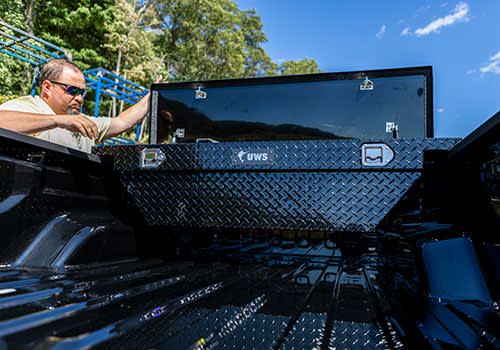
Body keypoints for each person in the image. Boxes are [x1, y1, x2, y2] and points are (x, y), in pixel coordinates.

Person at [0, 58, 155, 153]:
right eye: (73, 90)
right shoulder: (33, 106)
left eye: (82, 92)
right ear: (47, 88)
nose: (80, 98)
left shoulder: (82, 122)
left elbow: (122, 122)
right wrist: (59, 120)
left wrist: (154, 94)